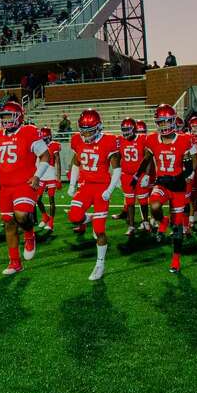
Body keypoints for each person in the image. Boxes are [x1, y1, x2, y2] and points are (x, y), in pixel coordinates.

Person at [0, 100, 51, 275]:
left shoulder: (29, 132)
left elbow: (45, 155)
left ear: (19, 117)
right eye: (4, 116)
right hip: (5, 186)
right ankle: (15, 262)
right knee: (9, 223)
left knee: (22, 216)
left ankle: (29, 233)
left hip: (25, 183)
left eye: (10, 116)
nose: (7, 119)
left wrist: (37, 175)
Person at [137, 104, 195, 273]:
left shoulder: (184, 139)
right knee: (153, 205)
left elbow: (190, 168)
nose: (163, 125)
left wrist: (184, 176)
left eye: (166, 122)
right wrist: (144, 175)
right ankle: (163, 220)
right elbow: (147, 158)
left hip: (177, 185)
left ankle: (176, 259)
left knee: (177, 229)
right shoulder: (152, 139)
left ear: (173, 121)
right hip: (162, 182)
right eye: (160, 122)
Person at [67, 108, 120, 281]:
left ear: (98, 127)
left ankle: (100, 264)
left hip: (101, 187)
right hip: (86, 186)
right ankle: (88, 217)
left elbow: (117, 169)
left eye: (89, 130)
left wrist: (109, 190)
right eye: (83, 130)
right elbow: (76, 163)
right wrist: (73, 184)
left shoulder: (110, 141)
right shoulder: (77, 139)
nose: (86, 134)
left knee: (99, 230)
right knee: (74, 217)